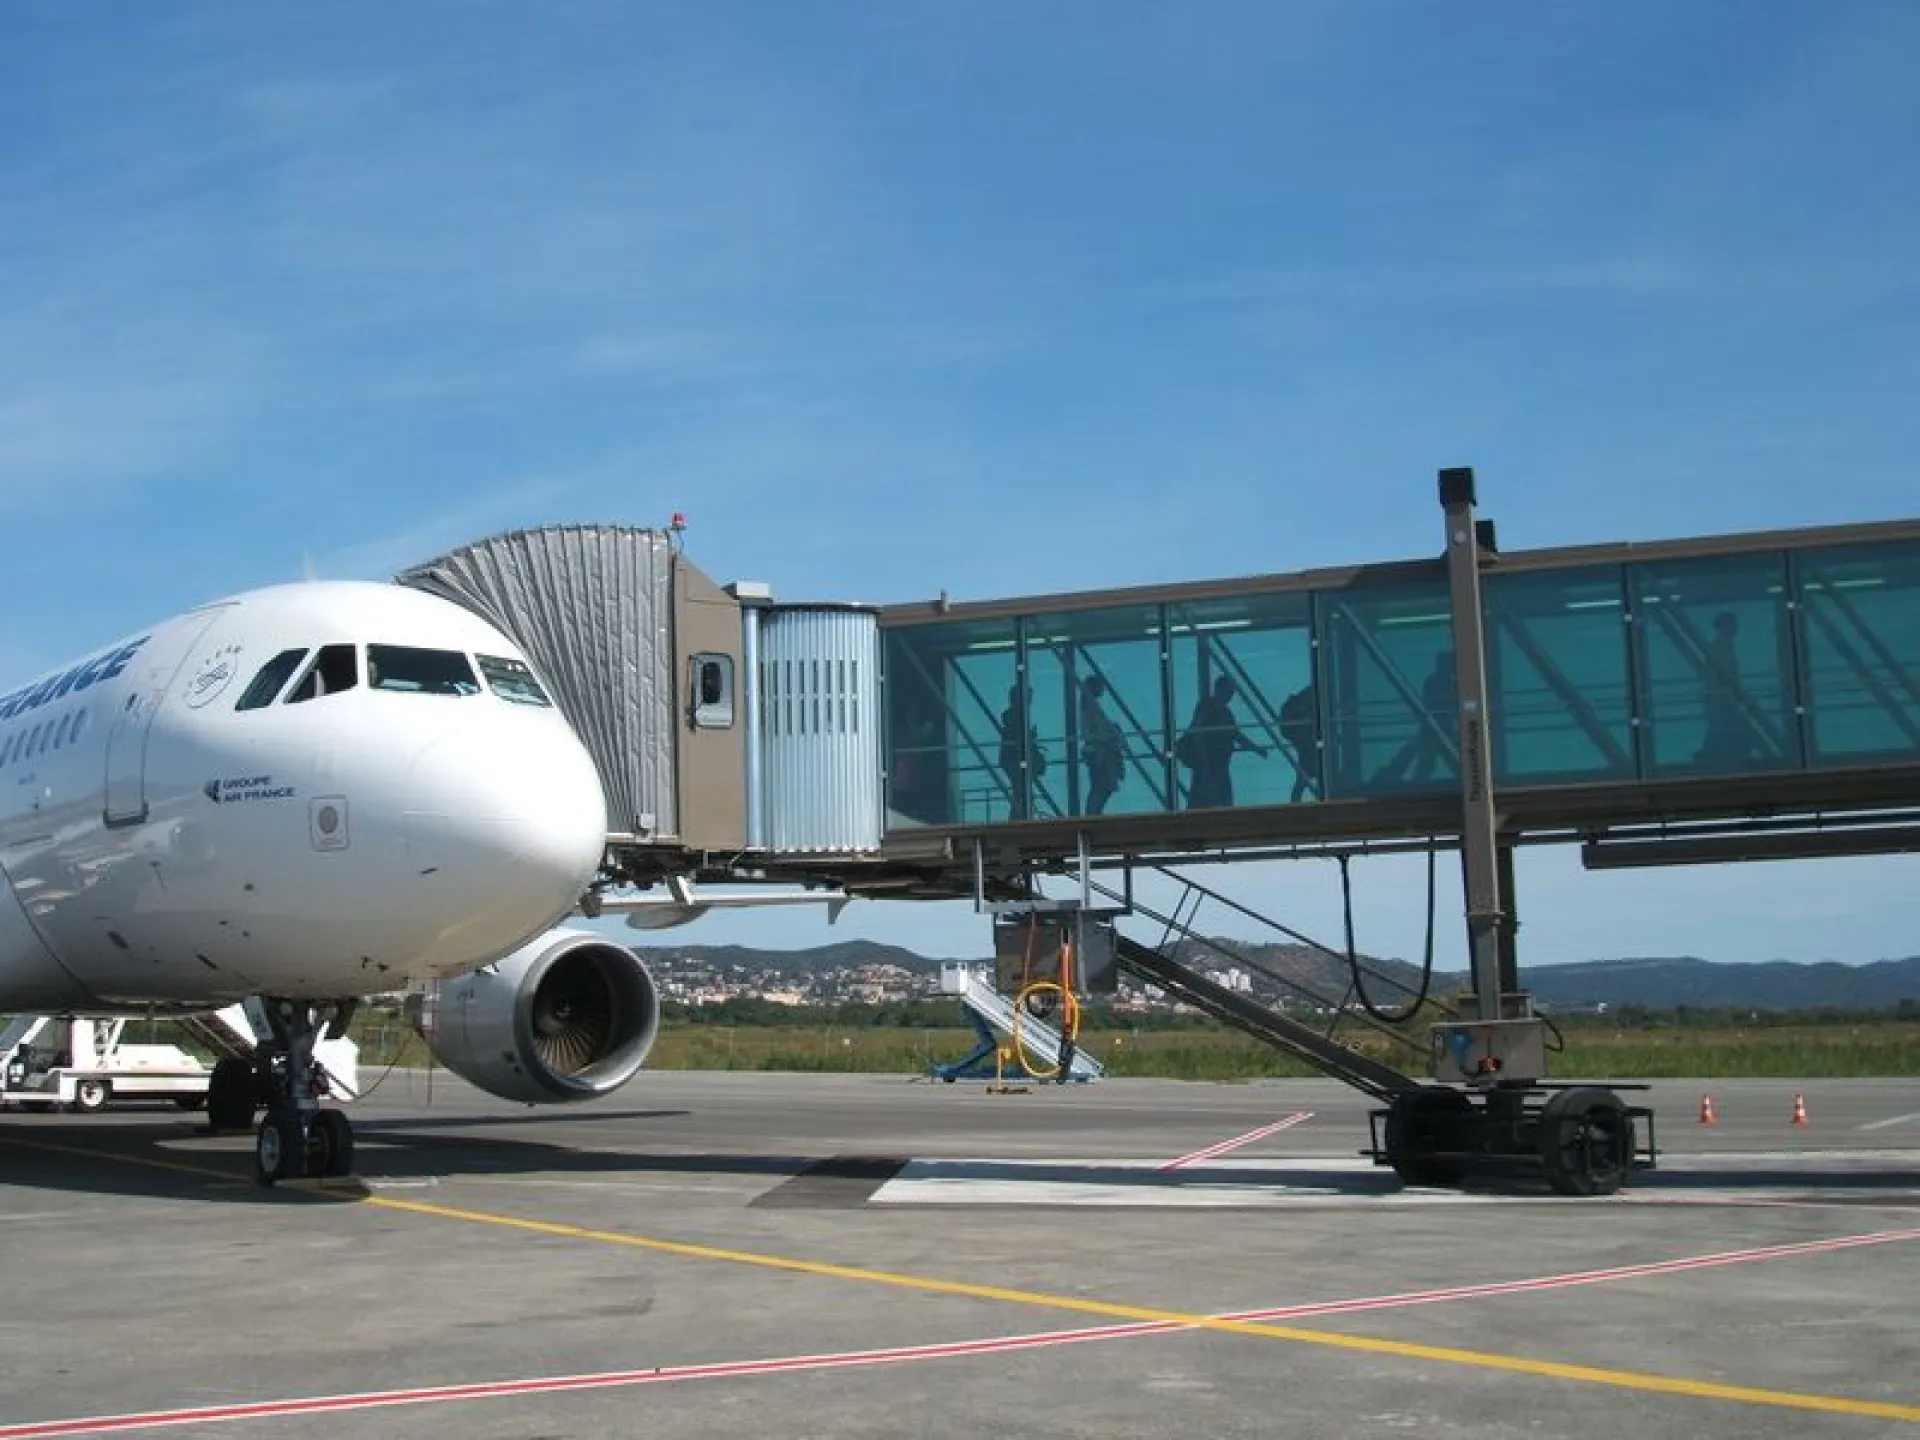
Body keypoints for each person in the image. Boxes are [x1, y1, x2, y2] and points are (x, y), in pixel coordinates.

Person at [1177, 676, 1267, 808]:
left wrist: (1256, 749)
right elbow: (1200, 734)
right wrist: (1204, 762)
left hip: (1214, 764)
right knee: (1213, 800)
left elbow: (1235, 734)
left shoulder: (1216, 710)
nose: (1230, 696)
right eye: (1229, 691)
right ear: (1219, 690)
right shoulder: (1211, 708)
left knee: (1205, 800)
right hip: (1211, 764)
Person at [1378, 649, 1457, 786]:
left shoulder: (1438, 681)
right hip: (1436, 728)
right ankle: (1416, 779)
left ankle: (1411, 778)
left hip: (1437, 728)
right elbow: (1436, 703)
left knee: (1428, 756)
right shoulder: (1441, 682)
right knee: (1431, 757)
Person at [1695, 611, 1755, 767]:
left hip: (1723, 697)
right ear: (1723, 625)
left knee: (1721, 729)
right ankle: (1718, 759)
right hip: (1722, 698)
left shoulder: (1721, 645)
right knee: (1725, 728)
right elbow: (1724, 675)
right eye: (1732, 623)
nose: (1736, 627)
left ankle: (1711, 758)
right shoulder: (1720, 646)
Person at [1078, 676, 1124, 815]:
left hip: (1098, 752)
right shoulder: (1090, 708)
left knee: (1101, 786)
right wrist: (1113, 732)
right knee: (1101, 786)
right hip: (1099, 753)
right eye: (1100, 686)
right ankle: (1092, 814)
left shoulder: (1089, 706)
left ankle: (1094, 813)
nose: (1103, 689)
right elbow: (1098, 731)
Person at [997, 683, 1044, 818]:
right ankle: (1019, 818)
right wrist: (1029, 737)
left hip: (1013, 758)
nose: (1030, 700)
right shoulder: (1015, 715)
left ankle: (1019, 817)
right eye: (1029, 697)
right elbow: (1017, 735)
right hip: (1014, 758)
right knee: (1021, 792)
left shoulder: (1016, 715)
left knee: (1021, 792)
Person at [1279, 682, 1318, 803]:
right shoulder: (1302, 703)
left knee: (1303, 779)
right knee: (1304, 778)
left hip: (1309, 745)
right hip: (1308, 746)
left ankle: (1296, 803)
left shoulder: (1298, 704)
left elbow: (1285, 731)